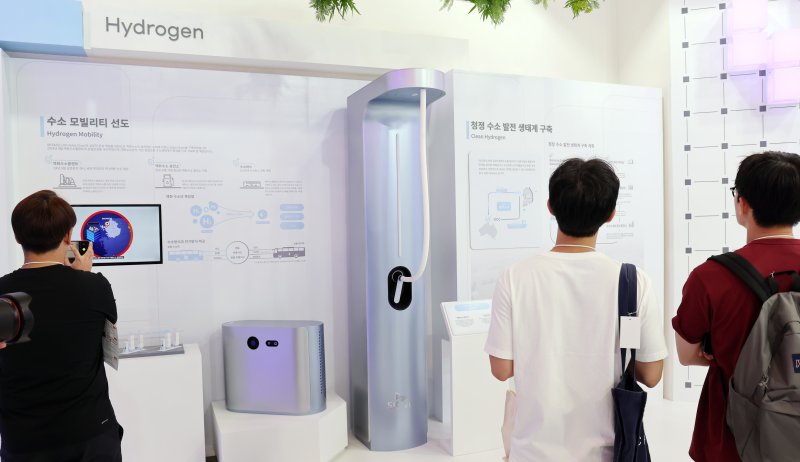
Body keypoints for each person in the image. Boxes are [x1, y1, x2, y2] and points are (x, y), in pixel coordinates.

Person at [485, 158, 668, 461]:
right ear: (610, 215)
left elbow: (501, 369)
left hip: (532, 451)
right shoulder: (633, 283)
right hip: (607, 453)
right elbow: (650, 374)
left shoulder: (514, 278)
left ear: (550, 206)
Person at [673, 151, 800, 462]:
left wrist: (727, 354)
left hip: (732, 439)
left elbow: (687, 355)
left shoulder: (710, 276)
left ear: (742, 203)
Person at [0, 190, 122, 461]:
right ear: (68, 235)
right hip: (90, 433)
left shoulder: (2, 293)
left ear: (18, 237)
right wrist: (84, 277)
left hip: (24, 438)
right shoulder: (95, 287)